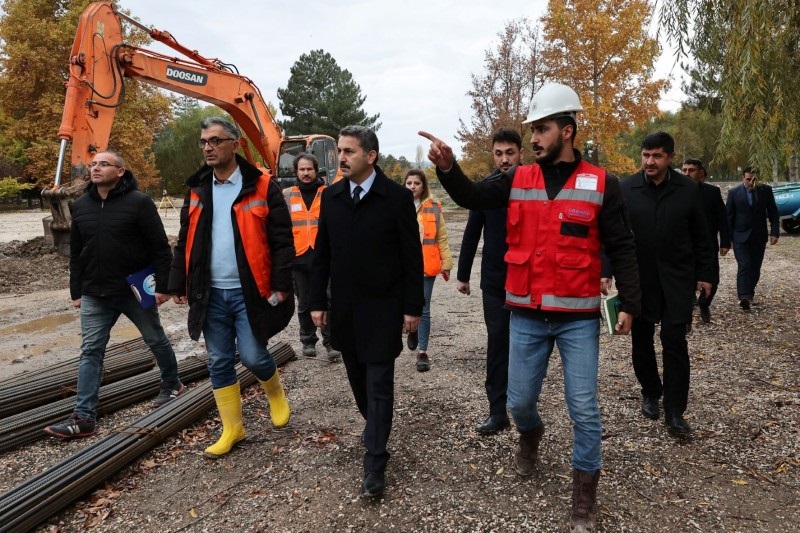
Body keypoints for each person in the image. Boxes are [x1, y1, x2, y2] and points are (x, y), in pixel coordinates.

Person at [420, 82, 641, 533]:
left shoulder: (602, 183)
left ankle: (583, 500)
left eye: (541, 129)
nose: (534, 138)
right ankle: (531, 433)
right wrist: (448, 168)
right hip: (525, 314)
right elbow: (472, 197)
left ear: (567, 130)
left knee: (584, 407)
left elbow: (622, 246)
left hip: (578, 318)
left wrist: (630, 303)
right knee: (519, 402)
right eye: (532, 130)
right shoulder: (516, 178)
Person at [168, 117, 295, 458]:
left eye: (215, 140)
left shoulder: (263, 185)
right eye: (203, 142)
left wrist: (283, 284)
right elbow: (186, 240)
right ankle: (233, 428)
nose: (207, 147)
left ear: (234, 144)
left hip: (250, 291)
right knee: (219, 361)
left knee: (253, 355)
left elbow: (283, 240)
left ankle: (275, 391)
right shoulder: (197, 187)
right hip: (210, 293)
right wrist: (178, 281)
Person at [310, 125, 423, 498]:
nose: (341, 157)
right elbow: (321, 253)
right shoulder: (333, 196)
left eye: (349, 151)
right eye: (339, 151)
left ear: (370, 156)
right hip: (345, 309)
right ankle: (374, 425)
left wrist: (412, 308)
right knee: (359, 383)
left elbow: (412, 257)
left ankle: (375, 460)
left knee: (379, 387)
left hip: (383, 309)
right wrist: (316, 301)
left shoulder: (395, 198)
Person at [44, 151, 183, 439]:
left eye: (103, 164)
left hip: (133, 289)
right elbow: (76, 253)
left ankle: (172, 383)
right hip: (95, 292)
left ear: (120, 172)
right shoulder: (80, 206)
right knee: (91, 351)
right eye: (93, 164)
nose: (95, 168)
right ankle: (84, 417)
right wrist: (77, 290)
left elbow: (159, 247)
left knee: (155, 338)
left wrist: (165, 287)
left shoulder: (140, 203)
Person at [621, 132, 714, 440]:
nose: (650, 161)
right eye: (646, 155)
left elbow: (702, 237)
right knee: (641, 341)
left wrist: (706, 274)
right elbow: (616, 236)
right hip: (640, 281)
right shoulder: (627, 189)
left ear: (670, 157)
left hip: (677, 280)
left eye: (657, 156)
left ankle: (675, 410)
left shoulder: (688, 190)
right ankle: (651, 391)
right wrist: (610, 271)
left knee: (675, 343)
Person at [456, 127, 521, 435]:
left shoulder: (534, 185)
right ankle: (497, 411)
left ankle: (524, 407)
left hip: (528, 281)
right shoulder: (486, 188)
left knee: (524, 345)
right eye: (498, 153)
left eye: (510, 153)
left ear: (520, 153)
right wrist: (463, 274)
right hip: (494, 281)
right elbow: (472, 233)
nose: (504, 159)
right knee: (497, 343)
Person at [283, 154, 342, 362]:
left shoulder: (329, 193)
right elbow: (281, 228)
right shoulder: (287, 195)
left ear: (316, 171)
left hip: (324, 259)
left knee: (328, 301)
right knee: (305, 303)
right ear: (296, 172)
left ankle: (331, 343)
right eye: (302, 170)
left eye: (309, 169)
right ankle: (308, 340)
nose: (306, 173)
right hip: (299, 258)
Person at [403, 168, 453, 372]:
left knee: (424, 308)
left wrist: (447, 263)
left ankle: (422, 351)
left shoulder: (433, 207)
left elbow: (441, 236)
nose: (413, 187)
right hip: (403, 266)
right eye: (409, 183)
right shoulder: (397, 205)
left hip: (426, 265)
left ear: (423, 186)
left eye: (417, 183)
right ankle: (410, 329)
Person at [681, 158, 731, 323]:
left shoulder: (712, 192)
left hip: (707, 245)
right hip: (683, 246)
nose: (687, 173)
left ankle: (704, 303)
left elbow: (722, 218)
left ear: (701, 173)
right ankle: (685, 315)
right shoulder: (676, 192)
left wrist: (725, 241)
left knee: (712, 280)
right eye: (684, 170)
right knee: (684, 280)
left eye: (691, 170)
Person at [726, 167, 780, 310]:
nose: (751, 182)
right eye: (748, 179)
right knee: (744, 265)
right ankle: (744, 296)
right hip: (739, 236)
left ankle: (749, 292)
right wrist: (728, 238)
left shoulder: (765, 191)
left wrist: (775, 232)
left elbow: (773, 212)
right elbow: (729, 217)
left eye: (753, 179)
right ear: (742, 178)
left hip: (758, 235)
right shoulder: (734, 193)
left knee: (755, 267)